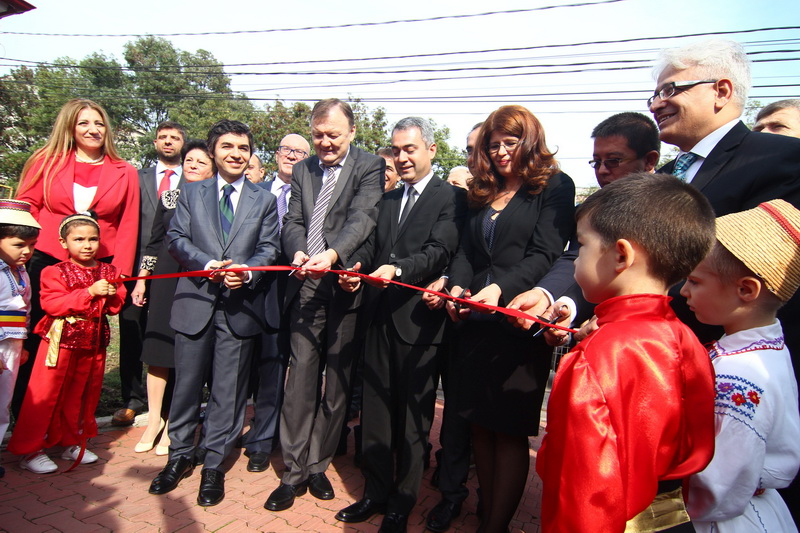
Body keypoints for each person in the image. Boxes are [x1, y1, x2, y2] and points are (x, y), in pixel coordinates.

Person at [538, 174, 717, 532]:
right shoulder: (687, 339)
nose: (574, 261)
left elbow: (588, 495)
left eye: (583, 246)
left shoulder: (599, 357)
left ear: (621, 254)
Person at [444, 105, 575, 532]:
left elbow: (546, 252)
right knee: (480, 423)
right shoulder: (482, 189)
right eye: (494, 144)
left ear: (530, 140)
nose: (501, 152)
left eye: (510, 142)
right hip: (476, 322)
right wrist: (459, 289)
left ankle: (495, 526)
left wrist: (501, 289)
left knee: (510, 430)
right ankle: (486, 512)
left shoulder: (554, 187)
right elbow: (465, 251)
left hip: (518, 323)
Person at [334, 117, 465, 532]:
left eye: (410, 149)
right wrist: (355, 269)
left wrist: (400, 269)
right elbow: (371, 247)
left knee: (412, 420)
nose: (402, 157)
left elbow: (439, 250)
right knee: (374, 413)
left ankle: (402, 503)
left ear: (431, 150)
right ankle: (374, 493)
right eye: (396, 150)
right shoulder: (388, 199)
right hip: (377, 319)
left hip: (419, 325)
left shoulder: (451, 199)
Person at [147, 120, 280, 506]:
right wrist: (205, 262)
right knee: (186, 386)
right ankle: (178, 457)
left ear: (251, 153)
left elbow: (269, 247)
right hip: (196, 302)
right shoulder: (190, 192)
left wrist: (248, 272)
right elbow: (176, 238)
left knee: (228, 392)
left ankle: (212, 468)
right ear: (213, 150)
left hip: (239, 308)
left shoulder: (264, 199)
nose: (236, 153)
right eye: (227, 146)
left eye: (243, 147)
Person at [265, 98, 384, 512]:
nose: (324, 143)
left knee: (337, 383)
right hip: (305, 285)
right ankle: (293, 471)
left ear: (351, 133)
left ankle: (318, 463)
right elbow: (294, 220)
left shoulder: (369, 166)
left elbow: (363, 218)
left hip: (344, 283)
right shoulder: (303, 169)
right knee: (300, 381)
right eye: (318, 135)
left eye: (333, 135)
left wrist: (333, 255)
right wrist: (298, 251)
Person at [13, 98, 139, 420]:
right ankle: (28, 414)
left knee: (86, 347)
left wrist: (118, 277)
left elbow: (128, 225)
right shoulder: (45, 161)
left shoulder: (124, 171)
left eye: (98, 123)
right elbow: (25, 209)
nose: (93, 129)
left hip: (96, 269)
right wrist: (19, 255)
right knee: (41, 337)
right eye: (84, 123)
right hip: (47, 261)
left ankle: (74, 422)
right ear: (69, 126)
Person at [681, 199, 800, 533]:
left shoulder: (742, 374)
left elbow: (719, 486)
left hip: (717, 519)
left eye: (695, 281)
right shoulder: (768, 349)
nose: (684, 291)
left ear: (746, 289)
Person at [508, 112, 662, 343]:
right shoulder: (592, 209)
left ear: (649, 160)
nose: (601, 171)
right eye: (596, 162)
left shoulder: (671, 206)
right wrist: (556, 301)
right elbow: (575, 258)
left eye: (613, 161)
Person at [8, 213, 126, 473]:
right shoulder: (54, 271)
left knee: (82, 394)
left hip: (94, 342)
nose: (87, 245)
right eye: (79, 239)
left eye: (93, 239)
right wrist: (89, 293)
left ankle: (72, 441)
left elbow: (116, 306)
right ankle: (31, 450)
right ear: (64, 242)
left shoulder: (110, 271)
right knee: (45, 395)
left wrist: (114, 293)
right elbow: (51, 304)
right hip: (59, 342)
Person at [130, 139, 215, 455]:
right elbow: (152, 244)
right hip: (164, 279)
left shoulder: (217, 201)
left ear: (212, 169)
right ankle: (154, 420)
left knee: (186, 353)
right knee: (158, 351)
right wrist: (142, 281)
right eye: (189, 160)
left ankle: (175, 425)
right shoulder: (168, 198)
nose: (192, 165)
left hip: (195, 280)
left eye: (200, 162)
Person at [422, 120, 485, 532]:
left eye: (481, 147)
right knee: (448, 408)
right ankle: (448, 486)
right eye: (469, 149)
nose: (475, 157)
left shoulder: (528, 195)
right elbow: (451, 250)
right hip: (447, 312)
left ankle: (471, 492)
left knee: (474, 417)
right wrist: (449, 283)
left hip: (492, 318)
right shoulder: (463, 200)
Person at [242, 132, 310, 473]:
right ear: (277, 153)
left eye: (300, 151)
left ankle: (262, 441)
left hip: (285, 295)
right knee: (239, 369)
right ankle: (225, 432)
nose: (292, 155)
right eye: (286, 149)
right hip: (242, 292)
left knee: (272, 367)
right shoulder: (254, 191)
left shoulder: (312, 198)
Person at [114, 120, 186, 427]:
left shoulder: (194, 180)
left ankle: (167, 404)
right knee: (132, 330)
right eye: (163, 137)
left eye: (175, 138)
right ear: (155, 142)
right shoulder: (135, 176)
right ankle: (132, 399)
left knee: (165, 334)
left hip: (174, 271)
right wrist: (142, 272)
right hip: (138, 266)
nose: (168, 142)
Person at [0, 200, 40, 479]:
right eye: (18, 244)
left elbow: (23, 310)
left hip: (13, 343)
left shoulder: (21, 271)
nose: (26, 251)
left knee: (3, 401)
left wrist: (22, 345)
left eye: (32, 244)